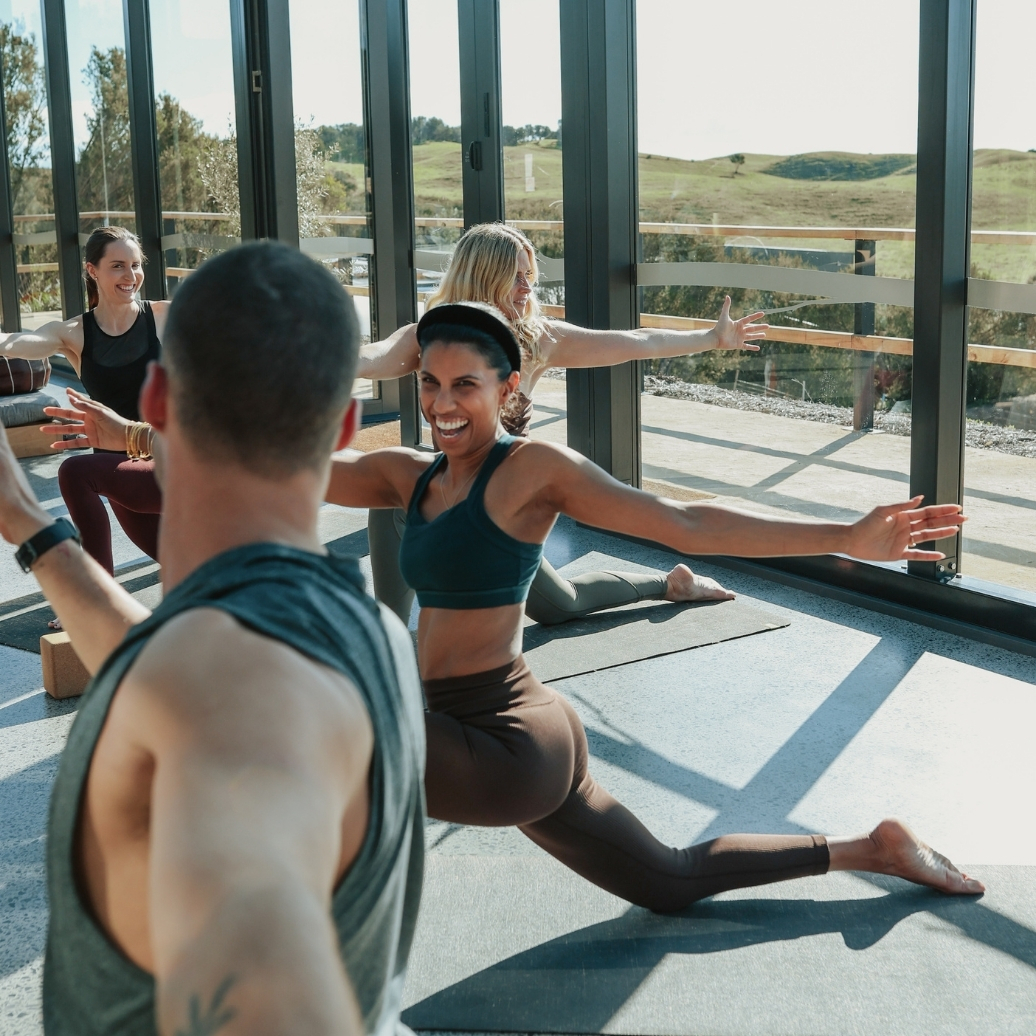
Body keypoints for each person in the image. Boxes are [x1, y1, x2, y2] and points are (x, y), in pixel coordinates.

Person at [327, 301, 983, 913]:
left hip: (504, 746)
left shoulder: (531, 470)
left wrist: (843, 537)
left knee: (317, 733)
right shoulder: (408, 476)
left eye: (464, 384)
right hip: (499, 726)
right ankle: (875, 848)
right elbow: (280, 465)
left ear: (508, 388)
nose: (442, 403)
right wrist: (329, 363)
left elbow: (688, 525)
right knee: (669, 881)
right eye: (429, 382)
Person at [0, 241, 425, 1035]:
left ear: (153, 399)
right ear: (343, 424)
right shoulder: (376, 630)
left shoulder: (222, 690)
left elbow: (262, 964)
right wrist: (28, 528)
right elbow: (169, 667)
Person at [355, 222, 762, 625]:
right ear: (482, 277)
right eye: (514, 276)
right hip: (447, 490)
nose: (526, 287)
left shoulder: (537, 340)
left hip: (504, 501)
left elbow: (639, 342)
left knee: (560, 606)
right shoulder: (429, 334)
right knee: (392, 487)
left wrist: (711, 338)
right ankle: (382, 635)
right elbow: (372, 357)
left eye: (528, 275)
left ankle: (671, 583)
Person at [1, 226, 165, 580]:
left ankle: (95, 591)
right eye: (118, 266)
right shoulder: (74, 333)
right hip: (118, 471)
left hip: (169, 461)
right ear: (92, 270)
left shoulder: (163, 316)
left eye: (136, 265)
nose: (131, 276)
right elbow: (20, 342)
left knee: (74, 472)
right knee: (180, 559)